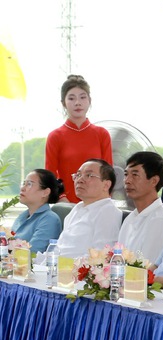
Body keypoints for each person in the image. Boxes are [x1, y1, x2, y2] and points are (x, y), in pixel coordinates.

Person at [45, 74, 112, 203]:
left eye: (82, 97)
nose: (77, 103)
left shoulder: (102, 134)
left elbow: (108, 174)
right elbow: (50, 175)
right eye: (71, 98)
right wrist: (61, 198)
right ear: (63, 103)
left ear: (89, 101)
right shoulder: (55, 136)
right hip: (66, 204)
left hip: (97, 203)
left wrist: (103, 200)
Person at [117, 152, 163, 263]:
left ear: (154, 181)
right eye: (126, 174)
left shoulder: (161, 221)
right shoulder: (130, 218)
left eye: (135, 175)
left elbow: (147, 269)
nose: (127, 180)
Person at [57, 159, 122, 258]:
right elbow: (60, 247)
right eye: (78, 175)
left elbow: (101, 257)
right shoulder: (77, 208)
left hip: (75, 266)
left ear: (106, 185)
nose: (79, 180)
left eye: (89, 175)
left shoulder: (108, 212)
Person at [11, 169, 63, 253]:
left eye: (29, 184)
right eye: (24, 183)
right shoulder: (23, 215)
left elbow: (32, 253)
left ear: (45, 192)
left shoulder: (49, 219)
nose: (22, 188)